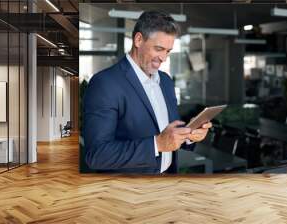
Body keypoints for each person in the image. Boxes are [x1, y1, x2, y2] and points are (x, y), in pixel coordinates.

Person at [83, 10, 212, 174]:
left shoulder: (165, 81)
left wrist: (190, 135)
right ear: (138, 40)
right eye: (159, 49)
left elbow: (169, 134)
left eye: (168, 51)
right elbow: (96, 155)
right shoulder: (105, 83)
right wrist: (156, 144)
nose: (164, 58)